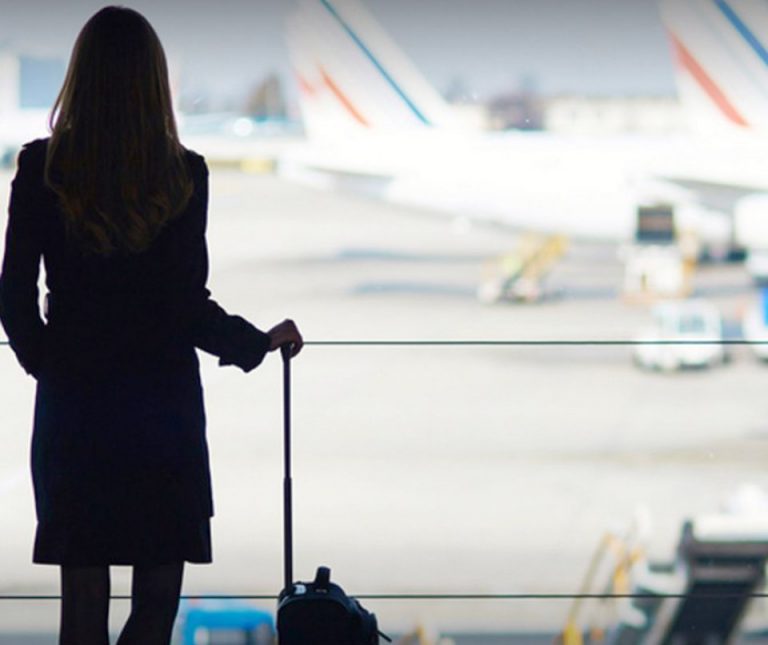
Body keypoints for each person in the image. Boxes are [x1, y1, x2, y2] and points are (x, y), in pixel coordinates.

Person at [0, 7, 303, 645]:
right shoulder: (182, 174)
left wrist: (50, 366)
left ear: (80, 76)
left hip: (77, 408)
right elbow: (185, 304)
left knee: (83, 602)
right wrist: (254, 342)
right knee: (157, 601)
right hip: (161, 410)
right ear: (153, 81)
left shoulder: (43, 168)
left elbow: (14, 297)